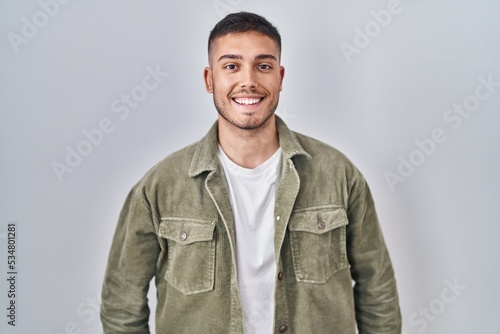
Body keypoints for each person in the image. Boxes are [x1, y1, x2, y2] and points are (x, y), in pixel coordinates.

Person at [100, 11, 401, 334]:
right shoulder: (161, 186)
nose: (249, 81)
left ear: (280, 77)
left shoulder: (338, 174)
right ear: (209, 79)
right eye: (231, 66)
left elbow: (376, 285)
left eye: (263, 66)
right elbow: (122, 303)